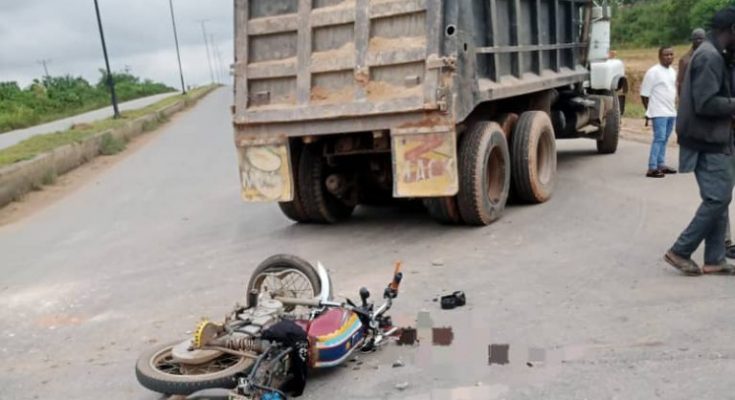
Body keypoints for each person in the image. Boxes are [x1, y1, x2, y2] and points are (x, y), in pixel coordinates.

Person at [664, 7, 735, 276]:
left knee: (721, 196)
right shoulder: (709, 57)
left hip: (712, 137)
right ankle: (680, 251)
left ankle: (715, 258)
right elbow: (706, 103)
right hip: (705, 139)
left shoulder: (715, 54)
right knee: (717, 198)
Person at [641, 46, 678, 178]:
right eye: (666, 55)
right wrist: (649, 111)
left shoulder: (673, 71)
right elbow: (644, 94)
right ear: (659, 56)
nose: (669, 57)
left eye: (671, 54)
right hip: (658, 112)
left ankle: (661, 164)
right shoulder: (653, 72)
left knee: (665, 139)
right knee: (659, 138)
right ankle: (652, 168)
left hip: (671, 111)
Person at [677, 28, 707, 95]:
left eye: (701, 38)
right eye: (696, 38)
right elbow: (681, 83)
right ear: (692, 40)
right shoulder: (685, 60)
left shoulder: (710, 56)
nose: (699, 41)